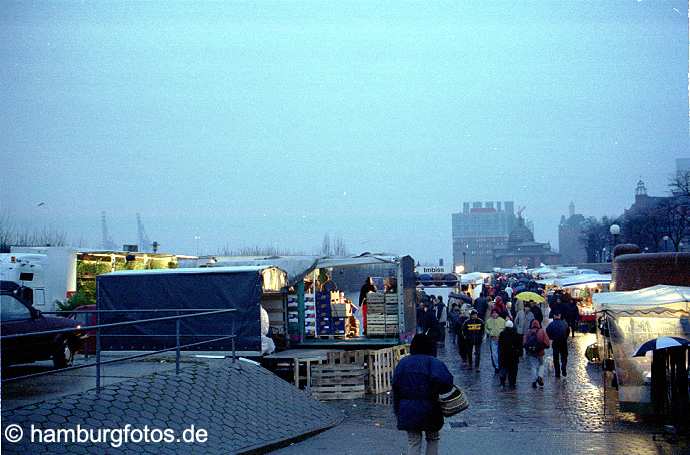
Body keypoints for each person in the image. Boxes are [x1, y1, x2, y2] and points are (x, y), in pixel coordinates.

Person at [393, 333, 454, 455]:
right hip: (430, 408)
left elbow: (395, 387)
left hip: (408, 409)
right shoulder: (434, 363)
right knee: (432, 438)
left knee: (413, 441)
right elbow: (447, 383)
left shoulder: (403, 363)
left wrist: (397, 409)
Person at [524, 320, 550, 388]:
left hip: (531, 353)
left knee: (533, 366)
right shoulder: (542, 331)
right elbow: (547, 342)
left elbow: (524, 343)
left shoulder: (528, 332)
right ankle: (540, 376)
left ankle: (534, 381)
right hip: (540, 352)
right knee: (541, 365)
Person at [498, 320, 521, 389]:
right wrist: (519, 353)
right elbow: (519, 346)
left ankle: (502, 382)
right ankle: (512, 384)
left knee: (504, 369)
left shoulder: (502, 334)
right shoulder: (517, 334)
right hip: (514, 356)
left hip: (504, 356)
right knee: (513, 371)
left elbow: (500, 345)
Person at [546, 312, 569, 378]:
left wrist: (552, 337)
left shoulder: (551, 324)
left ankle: (557, 373)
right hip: (563, 342)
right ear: (559, 315)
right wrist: (565, 337)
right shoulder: (564, 323)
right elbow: (568, 331)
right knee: (564, 356)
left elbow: (547, 332)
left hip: (555, 342)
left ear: (554, 316)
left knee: (556, 358)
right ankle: (563, 367)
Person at [485, 310, 506, 374]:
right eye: (493, 313)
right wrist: (490, 334)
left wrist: (501, 336)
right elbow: (486, 329)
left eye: (496, 313)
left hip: (501, 340)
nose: (494, 314)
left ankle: (501, 365)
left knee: (501, 353)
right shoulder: (488, 321)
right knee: (494, 354)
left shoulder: (502, 320)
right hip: (493, 339)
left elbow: (505, 329)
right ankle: (497, 367)